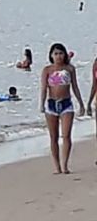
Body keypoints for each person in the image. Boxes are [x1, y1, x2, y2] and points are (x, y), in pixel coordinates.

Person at [39, 43, 86, 174]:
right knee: (53, 137)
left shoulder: (70, 68)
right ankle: (57, 166)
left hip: (66, 103)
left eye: (60, 53)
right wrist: (41, 104)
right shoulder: (47, 70)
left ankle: (65, 165)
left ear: (64, 54)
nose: (58, 56)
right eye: (56, 54)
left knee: (66, 135)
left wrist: (81, 103)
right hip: (51, 104)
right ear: (51, 56)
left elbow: (75, 87)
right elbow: (43, 88)